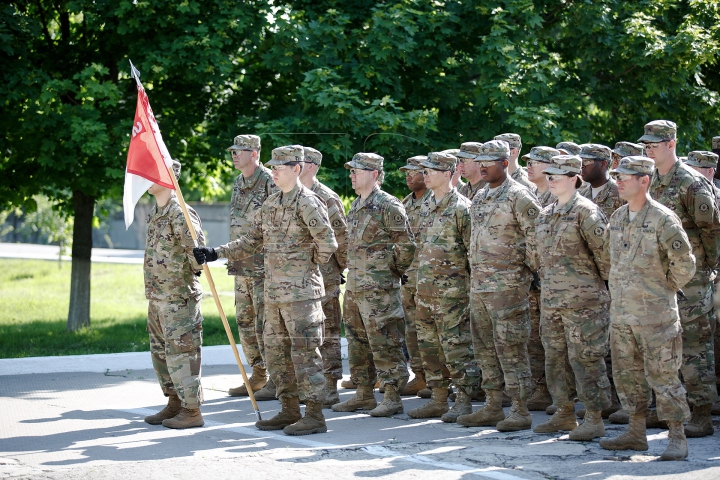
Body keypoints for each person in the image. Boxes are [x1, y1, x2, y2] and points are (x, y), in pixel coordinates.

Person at [194, 145, 338, 436]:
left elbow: (328, 244)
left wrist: (303, 268)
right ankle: (288, 409)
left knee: (305, 355)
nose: (273, 171)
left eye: (279, 167)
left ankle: (314, 415)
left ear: (296, 169)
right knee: (276, 354)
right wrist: (215, 252)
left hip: (300, 296)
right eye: (272, 167)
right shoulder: (271, 203)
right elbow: (250, 241)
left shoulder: (308, 202)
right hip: (273, 295)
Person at [598, 156, 696, 461]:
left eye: (626, 176)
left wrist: (663, 287)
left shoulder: (663, 219)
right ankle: (636, 433)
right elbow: (610, 262)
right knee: (627, 377)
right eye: (617, 175)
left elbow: (686, 264)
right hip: (623, 315)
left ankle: (677, 436)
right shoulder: (617, 218)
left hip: (657, 317)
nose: (619, 181)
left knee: (664, 377)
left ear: (645, 180)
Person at [456, 140, 541, 432]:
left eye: (489, 161)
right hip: (480, 286)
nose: (483, 167)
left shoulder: (520, 196)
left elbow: (537, 239)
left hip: (508, 287)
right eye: (480, 162)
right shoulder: (480, 196)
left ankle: (519, 408)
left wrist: (522, 272)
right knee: (484, 347)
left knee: (511, 346)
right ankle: (492, 405)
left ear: (505, 163)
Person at [643, 120, 720, 438]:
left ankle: (701, 413)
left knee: (694, 347)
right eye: (647, 144)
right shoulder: (652, 181)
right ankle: (669, 410)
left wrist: (705, 269)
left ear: (671, 143)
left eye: (655, 143)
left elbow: (712, 230)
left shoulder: (692, 183)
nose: (649, 148)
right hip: (660, 280)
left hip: (691, 281)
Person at [530, 155, 611, 441]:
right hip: (552, 301)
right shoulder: (546, 213)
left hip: (584, 303)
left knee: (586, 360)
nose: (551, 179)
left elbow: (606, 259)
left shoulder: (587, 212)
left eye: (558, 175)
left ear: (575, 178)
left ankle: (594, 417)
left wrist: (589, 287)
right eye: (549, 174)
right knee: (555, 359)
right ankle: (563, 413)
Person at [332, 153, 416, 417]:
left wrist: (390, 272)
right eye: (352, 171)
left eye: (357, 170)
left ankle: (392, 395)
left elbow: (407, 246)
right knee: (357, 342)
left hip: (380, 291)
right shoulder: (356, 205)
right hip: (356, 289)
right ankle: (363, 394)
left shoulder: (389, 205)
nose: (352, 175)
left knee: (385, 341)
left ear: (375, 174)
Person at [407, 152, 479, 422]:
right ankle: (438, 398)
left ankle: (463, 399)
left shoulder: (463, 208)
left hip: (453, 294)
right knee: (429, 348)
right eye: (424, 169)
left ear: (449, 174)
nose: (425, 174)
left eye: (432, 170)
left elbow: (473, 251)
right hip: (425, 291)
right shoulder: (425, 205)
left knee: (456, 348)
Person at [143, 160, 206, 429]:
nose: (146, 179)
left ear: (169, 177)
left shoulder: (180, 213)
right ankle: (175, 402)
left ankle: (192, 410)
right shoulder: (157, 213)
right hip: (158, 298)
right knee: (162, 354)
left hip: (179, 298)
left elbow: (197, 256)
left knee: (182, 355)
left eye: (153, 174)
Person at [225, 135, 278, 400]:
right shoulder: (239, 182)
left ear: (255, 153)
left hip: (262, 267)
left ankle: (277, 379)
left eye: (240, 151)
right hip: (241, 265)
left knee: (264, 324)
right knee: (245, 322)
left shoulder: (270, 181)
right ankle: (258, 374)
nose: (234, 155)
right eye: (233, 151)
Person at [299, 146, 348, 407]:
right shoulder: (289, 195)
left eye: (302, 162)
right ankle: (308, 383)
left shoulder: (326, 197)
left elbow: (341, 238)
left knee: (328, 331)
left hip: (325, 274)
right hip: (299, 278)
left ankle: (330, 385)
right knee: (306, 332)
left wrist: (339, 270)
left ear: (312, 167)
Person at [523, 146, 562, 413]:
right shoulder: (534, 194)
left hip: (554, 281)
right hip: (533, 279)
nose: (529, 167)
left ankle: (560, 395)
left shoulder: (557, 196)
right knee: (535, 339)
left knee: (554, 342)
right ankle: (541, 388)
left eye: (535, 163)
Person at [398, 155, 434, 396]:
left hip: (431, 278)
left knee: (432, 329)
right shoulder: (405, 203)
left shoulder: (436, 201)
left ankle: (437, 378)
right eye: (407, 172)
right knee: (412, 329)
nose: (409, 176)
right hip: (409, 278)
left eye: (415, 171)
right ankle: (420, 375)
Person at [578, 144, 625, 220]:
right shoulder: (581, 195)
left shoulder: (621, 195)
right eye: (580, 162)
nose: (582, 166)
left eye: (587, 161)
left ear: (603, 164)